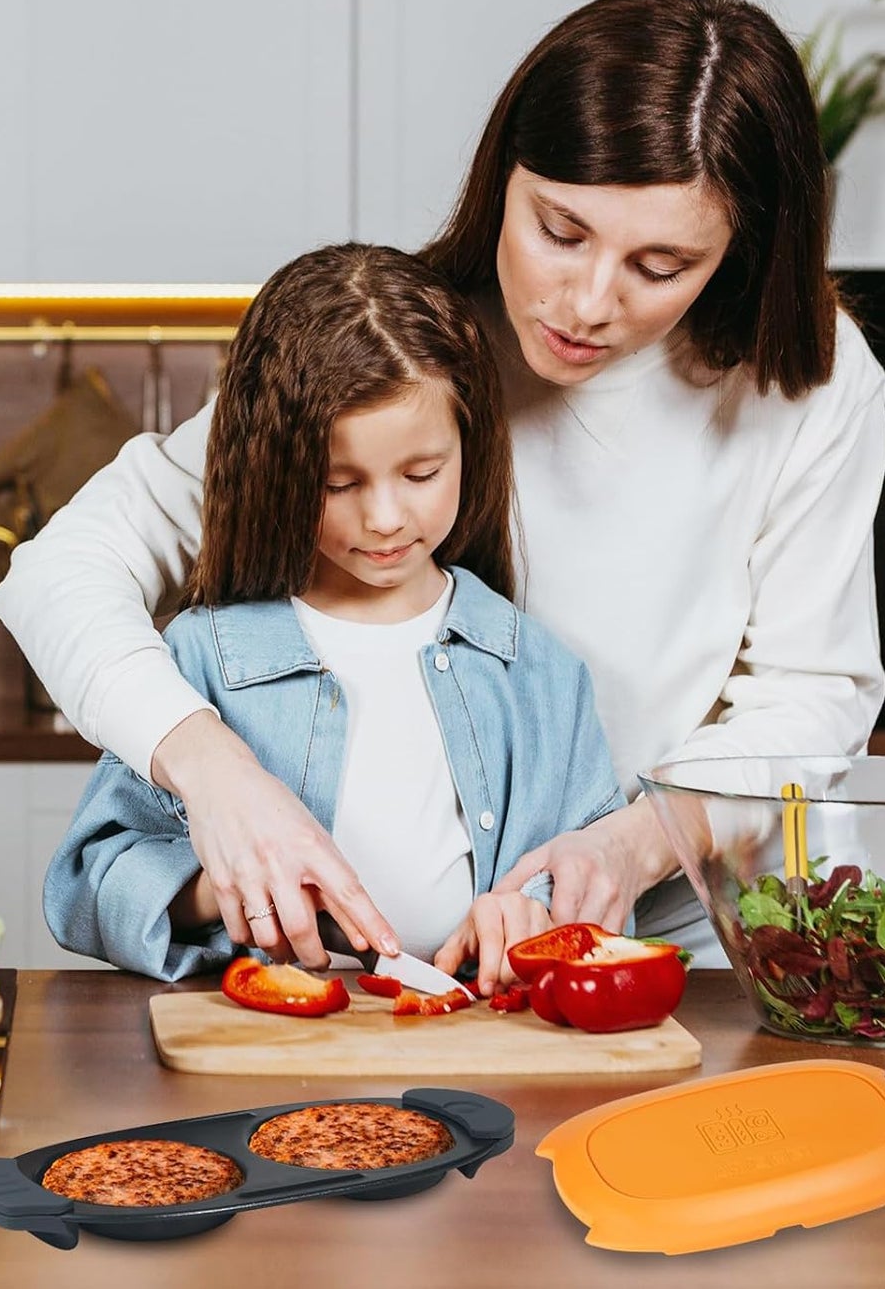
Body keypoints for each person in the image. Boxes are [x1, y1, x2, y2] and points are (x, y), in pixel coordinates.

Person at [0, 0, 885, 973]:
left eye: (661, 263)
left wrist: (625, 848)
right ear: (501, 174)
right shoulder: (396, 357)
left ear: (739, 251)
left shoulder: (809, 379)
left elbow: (810, 697)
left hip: (687, 936)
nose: (588, 301)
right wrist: (215, 774)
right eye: (559, 230)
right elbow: (61, 570)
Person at [42, 244, 623, 986]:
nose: (384, 517)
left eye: (421, 473)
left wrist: (535, 917)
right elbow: (85, 888)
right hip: (268, 1047)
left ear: (470, 447)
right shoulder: (202, 657)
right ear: (279, 475)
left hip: (480, 1046)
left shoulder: (537, 672)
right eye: (338, 482)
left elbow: (600, 900)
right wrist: (224, 885)